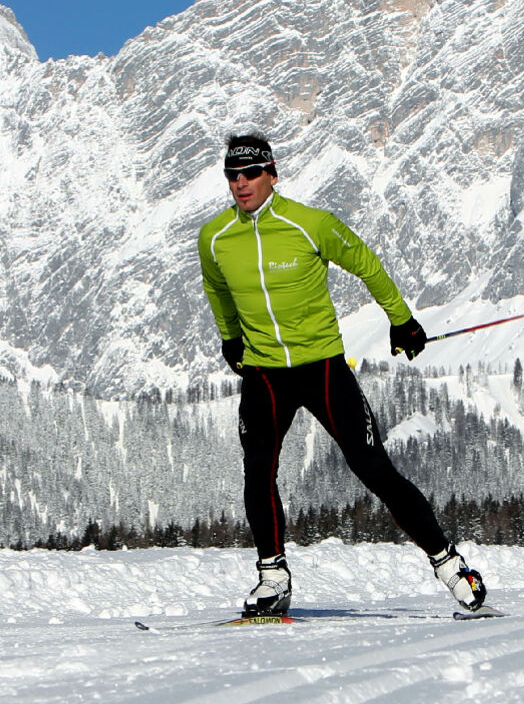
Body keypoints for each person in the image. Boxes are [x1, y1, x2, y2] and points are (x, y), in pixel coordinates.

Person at [197, 134, 490, 617]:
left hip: (322, 368)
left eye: (249, 173)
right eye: (232, 175)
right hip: (265, 374)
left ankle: (451, 566)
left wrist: (402, 319)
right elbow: (216, 289)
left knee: (372, 468)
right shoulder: (215, 237)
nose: (240, 184)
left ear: (272, 173)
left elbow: (365, 264)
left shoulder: (311, 225)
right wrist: (230, 338)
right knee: (258, 472)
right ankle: (272, 577)